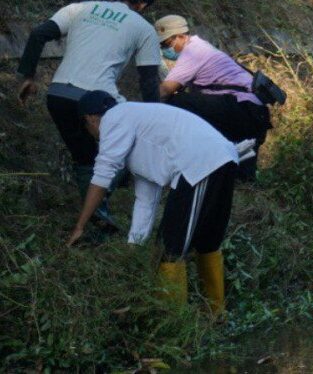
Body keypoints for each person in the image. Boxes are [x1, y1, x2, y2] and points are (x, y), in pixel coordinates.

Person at [66, 92, 240, 314]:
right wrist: (133, 246)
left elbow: (102, 174)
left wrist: (80, 226)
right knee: (207, 241)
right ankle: (216, 315)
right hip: (221, 157)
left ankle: (175, 323)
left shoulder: (115, 117)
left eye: (87, 128)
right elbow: (145, 202)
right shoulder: (138, 127)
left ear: (90, 119)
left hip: (199, 162)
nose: (93, 135)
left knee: (171, 248)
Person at [17, 0, 161, 227]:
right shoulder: (143, 28)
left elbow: (38, 34)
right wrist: (156, 121)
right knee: (128, 148)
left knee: (84, 158)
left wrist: (27, 77)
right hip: (96, 100)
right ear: (141, 5)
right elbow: (148, 81)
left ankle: (96, 221)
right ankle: (101, 209)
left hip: (58, 95)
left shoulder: (80, 8)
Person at [154, 15, 272, 181]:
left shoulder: (192, 53)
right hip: (255, 114)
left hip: (241, 109)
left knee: (176, 102)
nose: (165, 49)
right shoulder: (203, 47)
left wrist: (137, 109)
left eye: (166, 44)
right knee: (240, 177)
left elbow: (164, 91)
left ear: (180, 36)